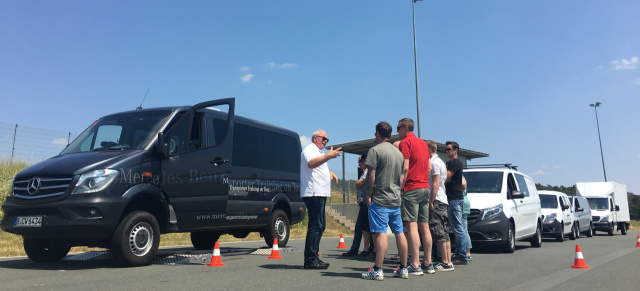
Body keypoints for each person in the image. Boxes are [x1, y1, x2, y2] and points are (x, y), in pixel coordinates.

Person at [361, 122, 408, 280]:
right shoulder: (398, 154)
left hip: (380, 199)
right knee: (399, 233)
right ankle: (403, 268)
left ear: (378, 134)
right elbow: (402, 177)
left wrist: (368, 194)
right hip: (395, 199)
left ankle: (378, 269)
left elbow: (371, 175)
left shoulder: (375, 150)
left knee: (380, 233)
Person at [301, 129, 342, 270]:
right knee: (315, 226)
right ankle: (311, 260)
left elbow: (317, 167)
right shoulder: (310, 149)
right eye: (323, 139)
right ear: (315, 138)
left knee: (320, 226)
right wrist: (329, 156)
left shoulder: (319, 152)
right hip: (314, 193)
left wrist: (328, 172)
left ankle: (314, 257)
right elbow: (311, 163)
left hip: (319, 193)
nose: (325, 141)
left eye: (327, 140)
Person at [396, 118, 433, 276]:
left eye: (398, 128)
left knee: (411, 226)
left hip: (412, 187)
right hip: (425, 187)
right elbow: (429, 167)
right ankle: (428, 263)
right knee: (424, 226)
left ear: (405, 127)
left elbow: (405, 167)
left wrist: (400, 187)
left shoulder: (406, 142)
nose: (397, 131)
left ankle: (415, 264)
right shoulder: (424, 144)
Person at [426, 140, 454, 271]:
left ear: (428, 149)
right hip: (443, 199)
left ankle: (445, 262)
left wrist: (431, 201)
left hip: (437, 199)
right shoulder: (441, 162)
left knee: (438, 230)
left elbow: (435, 183)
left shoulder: (434, 162)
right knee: (444, 231)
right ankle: (448, 260)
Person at [342, 155, 374, 258]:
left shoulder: (367, 171)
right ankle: (367, 249)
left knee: (362, 227)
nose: (359, 165)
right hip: (363, 202)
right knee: (364, 227)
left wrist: (359, 182)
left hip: (366, 202)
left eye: (360, 162)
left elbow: (358, 184)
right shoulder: (366, 171)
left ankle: (361, 249)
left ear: (364, 161)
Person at [445, 141, 467, 265]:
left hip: (454, 198)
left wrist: (439, 185)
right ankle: (459, 253)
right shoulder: (451, 163)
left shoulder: (455, 163)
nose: (447, 152)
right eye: (446, 150)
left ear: (456, 150)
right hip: (453, 198)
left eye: (449, 149)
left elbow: (447, 177)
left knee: (458, 228)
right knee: (456, 227)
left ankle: (461, 255)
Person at [462, 175, 472, 261]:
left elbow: (463, 184)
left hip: (461, 202)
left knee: (463, 230)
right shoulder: (463, 176)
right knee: (464, 229)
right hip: (465, 202)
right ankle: (467, 252)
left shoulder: (460, 176)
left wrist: (458, 193)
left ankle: (467, 252)